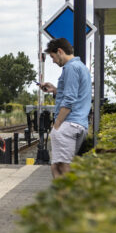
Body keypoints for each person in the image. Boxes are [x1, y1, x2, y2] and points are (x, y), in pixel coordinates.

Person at [39, 37, 91, 178]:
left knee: (60, 166)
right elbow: (77, 95)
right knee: (62, 166)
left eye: (53, 57)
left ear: (60, 51)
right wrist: (55, 90)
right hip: (79, 123)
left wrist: (57, 125)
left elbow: (69, 100)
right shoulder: (81, 67)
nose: (53, 61)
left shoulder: (70, 68)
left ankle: (69, 192)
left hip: (68, 124)